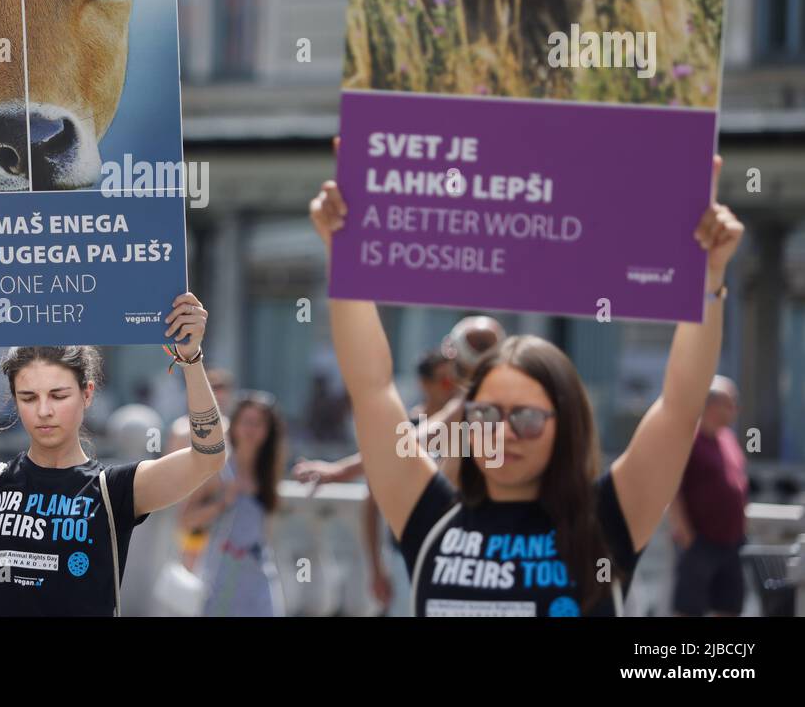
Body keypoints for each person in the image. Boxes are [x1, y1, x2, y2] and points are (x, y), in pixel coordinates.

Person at [308, 156, 743, 616]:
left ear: (567, 424)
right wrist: (344, 252)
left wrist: (708, 280)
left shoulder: (609, 520)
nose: (504, 433)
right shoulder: (429, 518)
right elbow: (372, 388)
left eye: (529, 418)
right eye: (487, 414)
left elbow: (680, 407)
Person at [0, 289, 229, 616]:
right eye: (29, 397)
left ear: (87, 394)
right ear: (14, 401)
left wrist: (191, 359)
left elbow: (208, 456)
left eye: (59, 395)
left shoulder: (115, 488)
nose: (44, 410)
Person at [292, 323, 505, 608]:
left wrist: (339, 472)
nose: (449, 384)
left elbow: (409, 445)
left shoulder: (479, 401)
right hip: (462, 544)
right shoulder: (482, 398)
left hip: (481, 543)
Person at [180, 392, 287, 616]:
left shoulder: (267, 472)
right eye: (246, 422)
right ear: (235, 425)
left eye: (259, 424)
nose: (251, 430)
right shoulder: (219, 469)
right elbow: (186, 520)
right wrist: (222, 503)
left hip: (260, 573)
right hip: (221, 574)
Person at [669, 376, 749, 616]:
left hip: (732, 541)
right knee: (690, 608)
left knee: (729, 605)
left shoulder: (728, 439)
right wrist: (685, 533)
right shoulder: (688, 439)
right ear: (712, 405)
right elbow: (672, 487)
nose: (735, 408)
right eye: (731, 402)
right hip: (700, 542)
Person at [168, 367, 236, 568]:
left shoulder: (234, 428)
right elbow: (170, 468)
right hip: (191, 509)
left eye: (222, 387)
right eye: (212, 387)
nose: (217, 393)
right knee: (188, 570)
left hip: (223, 509)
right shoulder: (181, 428)